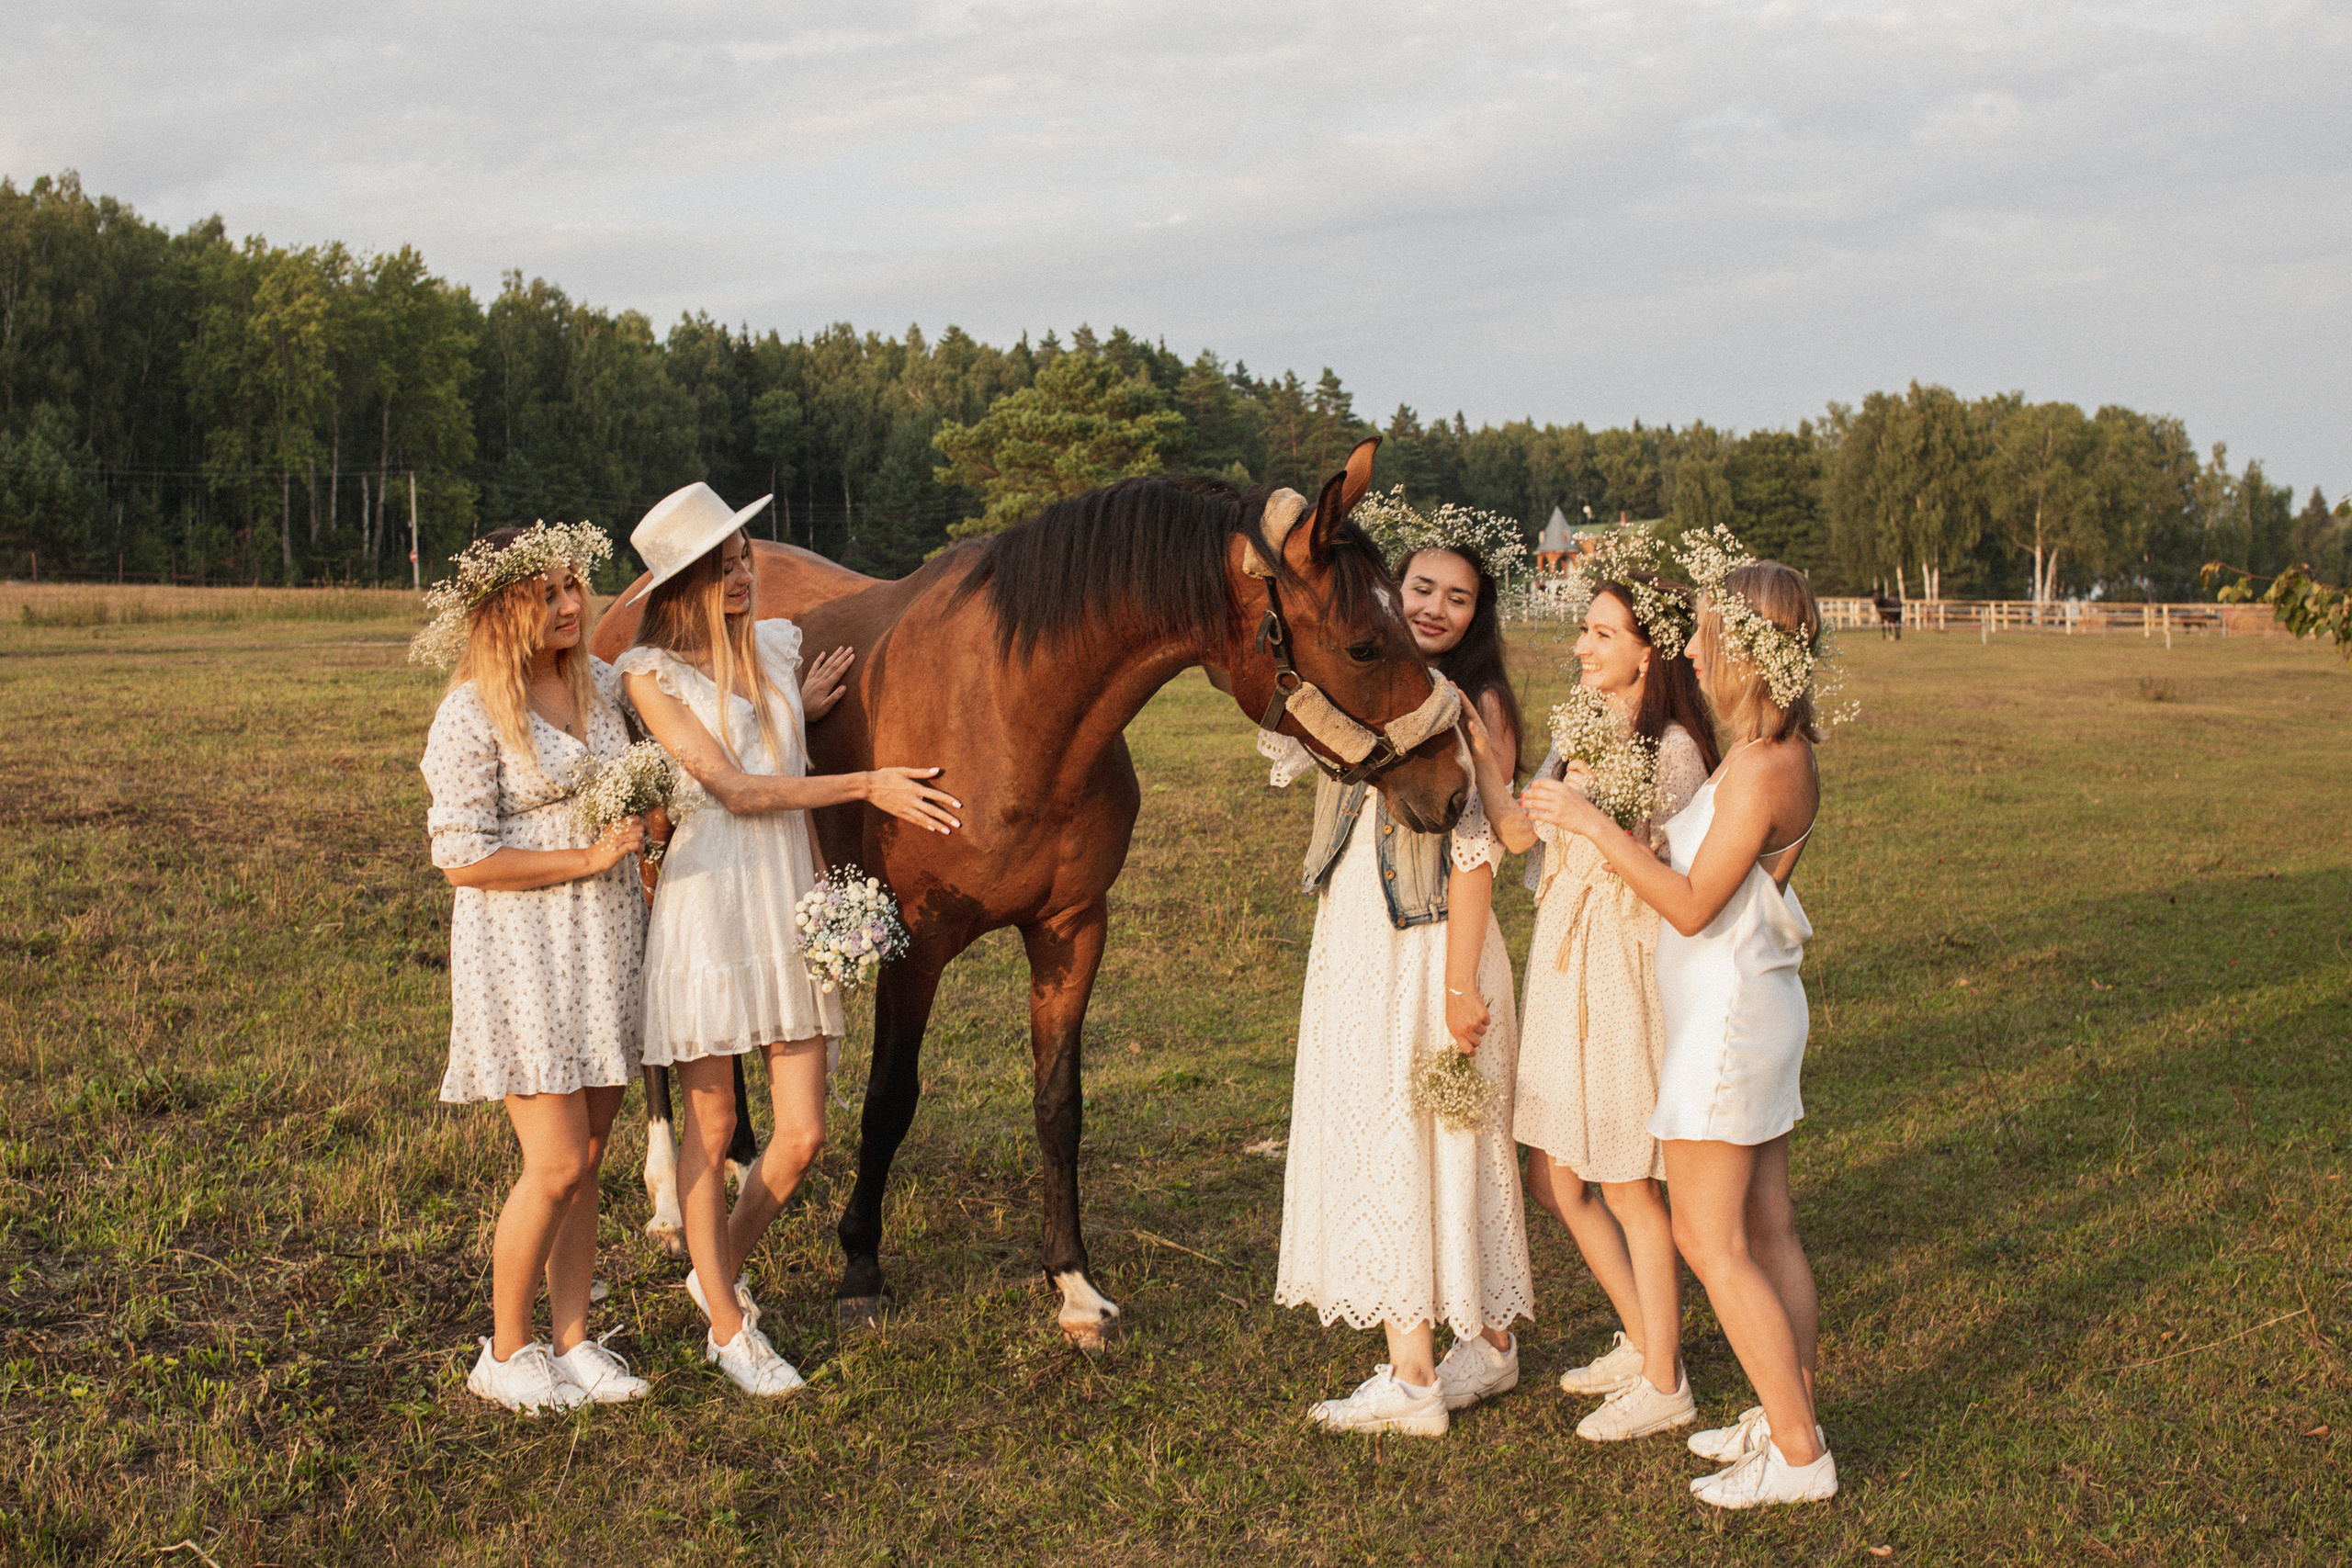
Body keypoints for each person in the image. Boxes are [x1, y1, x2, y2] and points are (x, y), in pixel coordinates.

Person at [614, 482, 960, 1398]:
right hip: (709, 899)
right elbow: (733, 789)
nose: (743, 576)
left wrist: (794, 712)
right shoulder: (649, 674)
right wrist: (867, 784)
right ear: (681, 583)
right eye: (722, 567)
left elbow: (774, 759)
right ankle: (731, 1330)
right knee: (715, 1126)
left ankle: (715, 1272)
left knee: (801, 1134)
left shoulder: (772, 648)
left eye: (743, 559)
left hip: (784, 895)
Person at [1523, 558, 1837, 1507]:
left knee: (1711, 1240)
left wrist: (1597, 827)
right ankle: (1790, 1415)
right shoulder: (1766, 751)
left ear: (1747, 648)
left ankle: (1798, 1457)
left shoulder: (1764, 766)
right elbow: (1723, 873)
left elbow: (1696, 907)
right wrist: (1656, 840)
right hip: (1747, 1004)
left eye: (1705, 633)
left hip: (1726, 1021)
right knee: (1766, 1228)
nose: (1691, 650)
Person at [1274, 539, 1534, 1438]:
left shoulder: (1475, 703)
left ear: (1476, 614)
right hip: (1358, 931)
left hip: (1426, 948)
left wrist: (1459, 986)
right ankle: (1487, 1346)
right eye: (1421, 587)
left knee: (1408, 1137)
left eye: (1457, 598)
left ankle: (1413, 1378)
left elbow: (1476, 851)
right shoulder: (1373, 681)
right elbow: (1289, 743)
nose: (1434, 608)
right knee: (1405, 1135)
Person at [415, 522, 653, 1412]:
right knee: (552, 1163)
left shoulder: (599, 684)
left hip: (606, 941)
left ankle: (573, 1340)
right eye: (546, 592)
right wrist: (588, 856)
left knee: (587, 1158)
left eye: (572, 585)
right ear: (503, 608)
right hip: (523, 952)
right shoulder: (472, 711)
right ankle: (506, 1351)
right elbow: (461, 858)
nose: (570, 603)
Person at [1513, 577, 1720, 1441]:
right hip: (1562, 957)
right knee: (1557, 1176)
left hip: (1623, 968)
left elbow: (1674, 883)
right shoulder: (1580, 727)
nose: (1583, 647)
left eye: (1603, 633)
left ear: (1648, 651)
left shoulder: (1674, 749)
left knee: (1628, 1179)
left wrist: (1593, 817)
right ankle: (1642, 1338)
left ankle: (1666, 1380)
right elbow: (1522, 830)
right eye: (1584, 630)